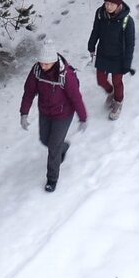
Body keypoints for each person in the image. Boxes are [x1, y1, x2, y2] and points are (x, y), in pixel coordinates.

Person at [20, 52, 88, 192]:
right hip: (45, 112)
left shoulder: (65, 75)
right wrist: (24, 113)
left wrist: (83, 117)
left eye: (46, 63)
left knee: (53, 147)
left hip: (63, 114)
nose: (43, 66)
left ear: (53, 62)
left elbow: (76, 97)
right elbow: (29, 92)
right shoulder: (37, 71)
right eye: (41, 63)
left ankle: (52, 179)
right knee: (45, 139)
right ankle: (63, 147)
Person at [86, 0, 136, 119]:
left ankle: (118, 102)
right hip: (103, 53)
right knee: (101, 79)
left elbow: (130, 44)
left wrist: (127, 63)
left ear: (119, 4)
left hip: (118, 57)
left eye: (111, 4)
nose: (107, 6)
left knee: (117, 81)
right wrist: (91, 44)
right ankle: (111, 92)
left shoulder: (127, 21)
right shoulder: (100, 14)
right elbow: (96, 30)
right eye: (106, 3)